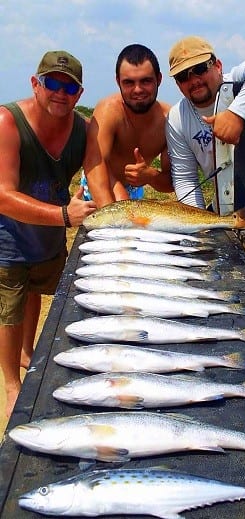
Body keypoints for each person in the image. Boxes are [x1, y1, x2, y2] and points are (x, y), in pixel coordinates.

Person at [0, 50, 97, 417]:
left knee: (36, 291)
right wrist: (63, 214)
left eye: (69, 88)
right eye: (52, 84)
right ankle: (11, 383)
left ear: (79, 93)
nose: (60, 93)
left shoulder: (82, 129)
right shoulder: (8, 122)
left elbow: (98, 175)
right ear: (35, 84)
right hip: (9, 236)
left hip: (50, 235)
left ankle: (28, 354)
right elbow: (2, 197)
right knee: (9, 308)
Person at [166, 36, 245, 220]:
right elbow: (185, 179)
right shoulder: (177, 117)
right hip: (224, 212)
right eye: (183, 76)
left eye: (200, 69)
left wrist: (237, 113)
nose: (193, 80)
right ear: (178, 84)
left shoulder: (239, 79)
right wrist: (201, 224)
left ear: (218, 66)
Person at [83, 43, 173, 208]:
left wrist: (150, 176)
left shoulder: (170, 120)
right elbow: (94, 163)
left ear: (159, 79)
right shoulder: (109, 110)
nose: (137, 89)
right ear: (118, 82)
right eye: (129, 82)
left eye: (145, 81)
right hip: (98, 184)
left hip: (134, 191)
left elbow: (170, 184)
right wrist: (113, 209)